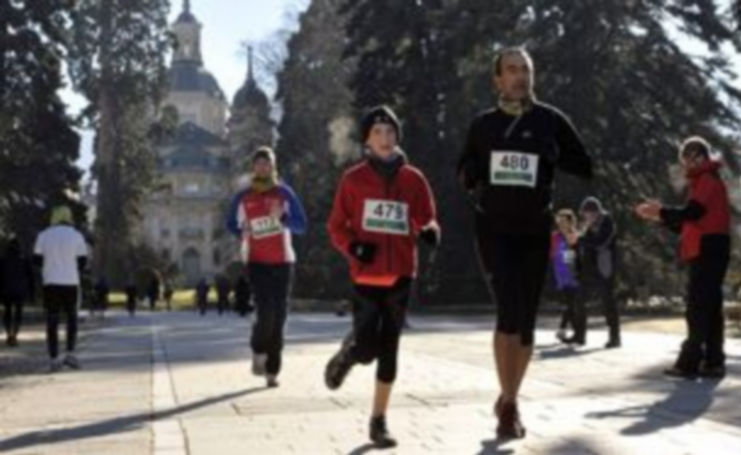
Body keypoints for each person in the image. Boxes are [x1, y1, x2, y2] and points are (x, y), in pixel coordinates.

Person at [457, 47, 592, 438]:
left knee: (527, 322)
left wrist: (556, 159)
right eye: (512, 70)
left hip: (534, 230)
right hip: (494, 229)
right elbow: (464, 166)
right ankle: (510, 405)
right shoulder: (483, 125)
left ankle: (509, 396)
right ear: (498, 79)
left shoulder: (550, 121)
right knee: (507, 313)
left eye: (526, 70)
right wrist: (469, 174)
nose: (519, 76)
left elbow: (583, 165)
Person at [325, 105, 440, 448]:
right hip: (366, 279)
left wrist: (431, 230)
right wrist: (354, 248)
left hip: (402, 275)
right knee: (366, 351)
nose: (385, 138)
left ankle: (378, 421)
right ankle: (350, 351)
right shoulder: (353, 180)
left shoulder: (413, 179)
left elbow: (426, 217)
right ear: (367, 140)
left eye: (391, 132)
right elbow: (335, 227)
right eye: (378, 133)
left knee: (390, 351)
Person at [636, 136, 731, 379]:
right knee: (710, 307)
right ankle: (713, 361)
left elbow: (693, 213)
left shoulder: (707, 180)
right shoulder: (701, 181)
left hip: (709, 247)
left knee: (698, 307)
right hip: (709, 246)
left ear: (704, 156)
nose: (688, 160)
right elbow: (687, 223)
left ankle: (689, 363)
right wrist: (659, 216)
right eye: (685, 157)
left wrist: (662, 211)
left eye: (693, 155)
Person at [227, 146, 308, 387]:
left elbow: (302, 226)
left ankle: (272, 371)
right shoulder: (243, 197)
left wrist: (282, 218)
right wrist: (242, 231)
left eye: (267, 163)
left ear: (274, 167)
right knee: (266, 314)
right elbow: (230, 223)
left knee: (279, 317)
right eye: (259, 163)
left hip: (283, 262)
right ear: (253, 167)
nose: (263, 167)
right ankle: (258, 350)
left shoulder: (285, 193)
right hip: (257, 263)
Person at [33, 206, 89, 372]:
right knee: (72, 318)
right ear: (69, 217)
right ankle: (70, 352)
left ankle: (54, 358)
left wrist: (50, 266)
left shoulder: (43, 235)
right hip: (71, 281)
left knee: (52, 320)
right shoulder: (77, 236)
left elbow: (36, 260)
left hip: (51, 282)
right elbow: (82, 262)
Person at [577, 197, 621, 348]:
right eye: (584, 214)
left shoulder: (608, 223)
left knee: (608, 300)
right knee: (580, 297)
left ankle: (615, 337)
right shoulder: (589, 226)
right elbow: (584, 244)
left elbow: (601, 243)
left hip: (606, 265)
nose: (586, 217)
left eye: (588, 214)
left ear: (595, 212)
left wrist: (583, 239)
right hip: (591, 266)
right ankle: (579, 335)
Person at [550, 210, 583, 345]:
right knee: (569, 304)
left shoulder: (575, 236)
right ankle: (572, 332)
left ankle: (572, 332)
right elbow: (552, 255)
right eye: (559, 221)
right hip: (561, 274)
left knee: (571, 304)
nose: (561, 224)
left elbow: (577, 256)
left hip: (574, 275)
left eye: (564, 221)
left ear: (571, 222)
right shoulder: (555, 237)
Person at [1, 238, 36, 347]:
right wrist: (32, 294)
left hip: (5, 290)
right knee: (18, 313)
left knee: (7, 312)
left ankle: (9, 333)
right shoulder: (24, 260)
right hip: (20, 291)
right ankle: (14, 334)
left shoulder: (3, 259)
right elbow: (31, 277)